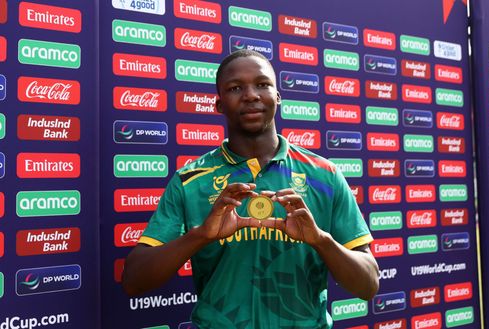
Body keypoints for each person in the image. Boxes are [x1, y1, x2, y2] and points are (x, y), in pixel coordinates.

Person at [122, 49, 379, 328]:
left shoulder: (324, 175)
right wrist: (201, 236)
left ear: (278, 96)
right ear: (219, 105)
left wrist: (320, 240)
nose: (251, 95)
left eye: (262, 84)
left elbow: (368, 285)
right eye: (235, 88)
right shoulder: (190, 180)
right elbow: (134, 281)